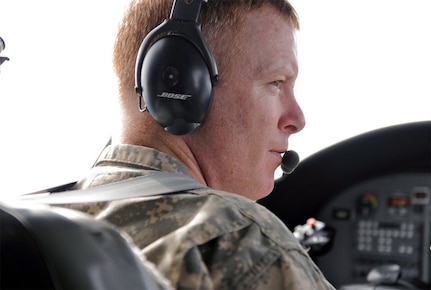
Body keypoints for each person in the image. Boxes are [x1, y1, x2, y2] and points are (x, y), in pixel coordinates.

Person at [63, 0, 335, 289]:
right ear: (180, 84)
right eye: (276, 83)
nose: (297, 119)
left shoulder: (43, 223)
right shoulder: (238, 241)